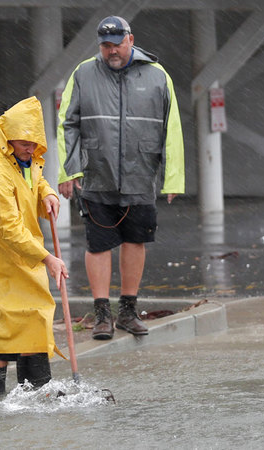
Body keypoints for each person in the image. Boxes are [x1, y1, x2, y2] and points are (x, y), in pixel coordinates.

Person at [57, 16, 185, 340]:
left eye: (116, 44)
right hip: (96, 173)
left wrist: (172, 178)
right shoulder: (84, 73)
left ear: (131, 39)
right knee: (98, 243)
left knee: (135, 240)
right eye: (105, 45)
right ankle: (102, 315)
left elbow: (172, 129)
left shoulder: (157, 76)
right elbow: (67, 123)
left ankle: (127, 311)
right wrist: (68, 170)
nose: (111, 51)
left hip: (141, 174)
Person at [0, 96, 69, 395]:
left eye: (35, 143)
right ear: (8, 140)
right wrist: (48, 258)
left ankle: (38, 392)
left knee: (35, 319)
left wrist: (47, 193)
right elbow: (9, 230)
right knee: (8, 332)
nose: (31, 149)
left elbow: (35, 180)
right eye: (24, 143)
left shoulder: (28, 156)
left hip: (25, 254)